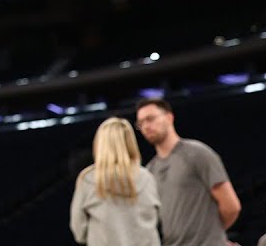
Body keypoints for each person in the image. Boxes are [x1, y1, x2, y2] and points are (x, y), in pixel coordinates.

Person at [136, 98, 241, 246]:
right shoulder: (149, 171)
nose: (146, 126)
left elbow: (231, 206)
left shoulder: (197, 154)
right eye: (141, 123)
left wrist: (212, 235)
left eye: (150, 119)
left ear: (169, 117)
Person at [69, 117, 161, 246]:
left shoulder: (87, 180)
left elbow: (79, 231)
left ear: (100, 143)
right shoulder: (147, 177)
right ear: (130, 142)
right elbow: (155, 220)